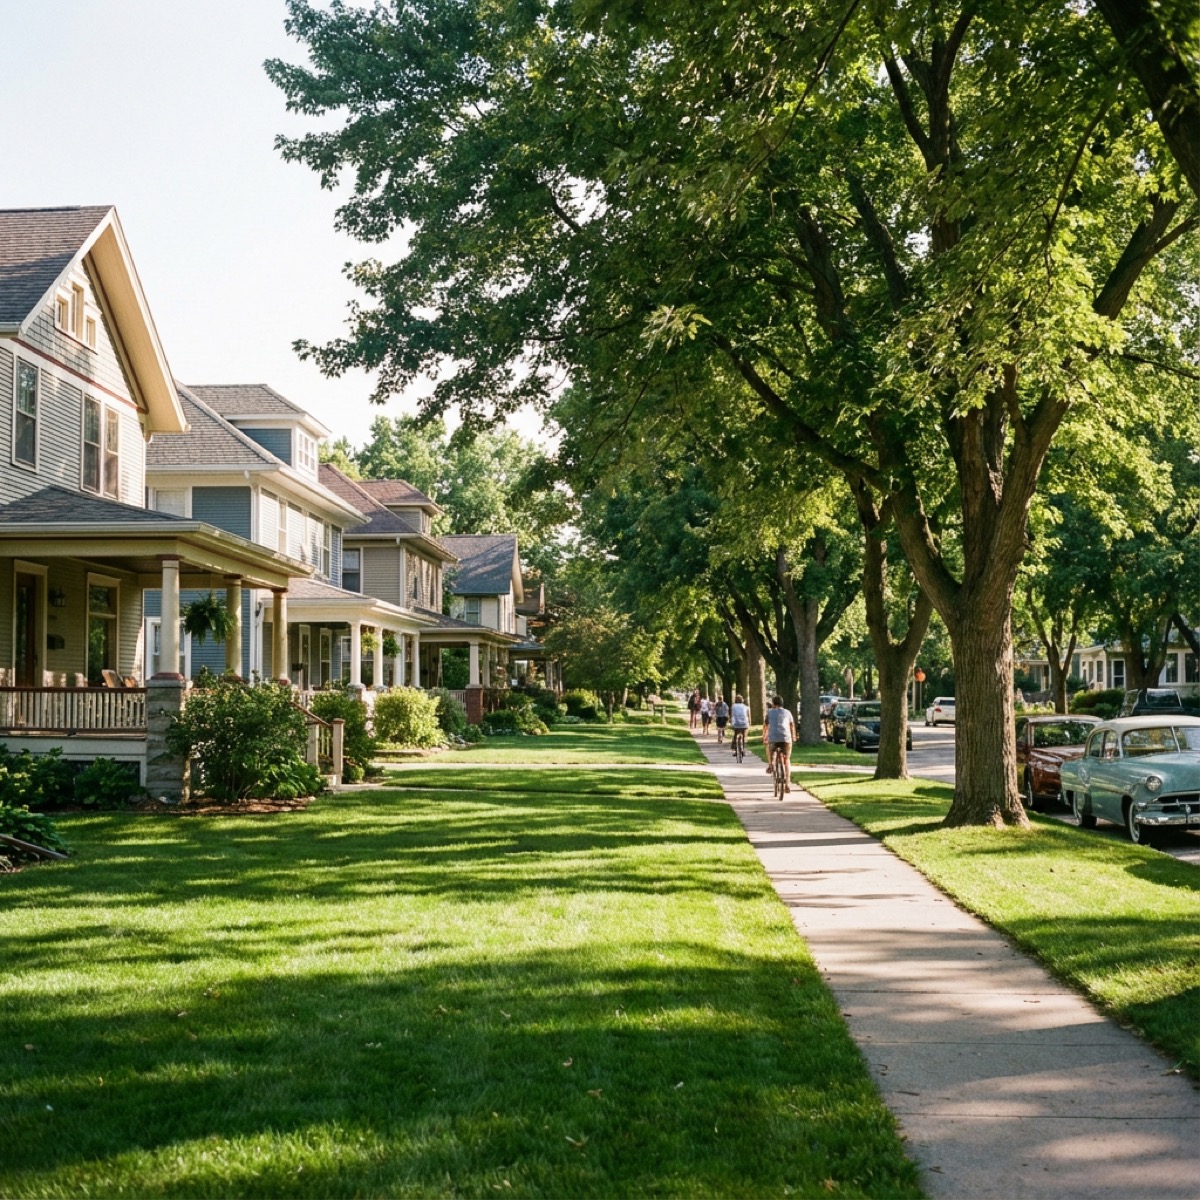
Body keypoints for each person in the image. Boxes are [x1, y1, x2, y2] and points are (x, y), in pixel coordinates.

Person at [762, 695, 796, 794]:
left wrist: (764, 737)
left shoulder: (769, 712)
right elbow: (791, 725)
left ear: (773, 704)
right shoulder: (788, 712)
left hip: (773, 739)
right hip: (786, 739)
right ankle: (788, 783)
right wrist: (793, 737)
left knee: (769, 748)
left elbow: (766, 726)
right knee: (787, 759)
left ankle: (770, 765)